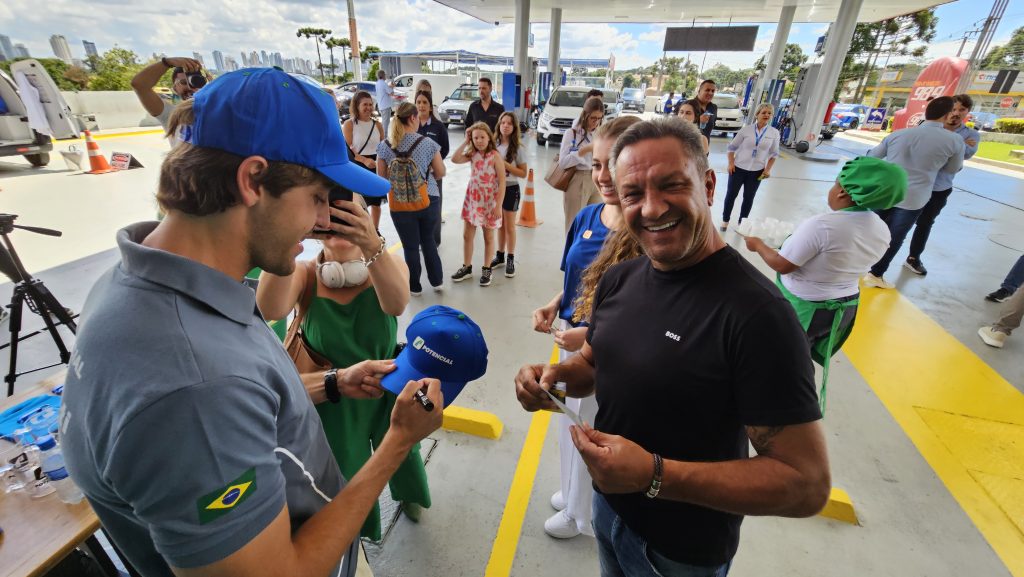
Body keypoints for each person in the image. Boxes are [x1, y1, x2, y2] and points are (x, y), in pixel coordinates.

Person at [60, 67, 443, 577]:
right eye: (316, 197)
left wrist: (332, 382)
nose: (321, 220)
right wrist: (396, 443)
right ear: (252, 181)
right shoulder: (194, 384)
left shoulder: (138, 286)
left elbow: (247, 411)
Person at [515, 117, 830, 577]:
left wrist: (653, 475)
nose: (652, 208)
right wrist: (554, 380)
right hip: (610, 513)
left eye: (671, 185)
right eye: (633, 194)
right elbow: (594, 364)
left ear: (707, 183)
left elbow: (806, 484)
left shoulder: (757, 315)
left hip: (681, 551)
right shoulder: (619, 280)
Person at [255, 191, 432, 538]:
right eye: (324, 211)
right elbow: (270, 309)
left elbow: (396, 303)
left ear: (366, 218)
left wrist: (371, 243)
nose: (335, 220)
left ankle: (411, 494)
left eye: (347, 211)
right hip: (333, 393)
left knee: (403, 450)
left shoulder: (387, 265)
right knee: (344, 466)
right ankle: (358, 531)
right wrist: (286, 232)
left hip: (386, 385)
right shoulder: (305, 274)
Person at [531, 115, 642, 540]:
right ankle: (571, 491)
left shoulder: (643, 232)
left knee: (589, 430)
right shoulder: (588, 215)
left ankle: (582, 516)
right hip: (568, 336)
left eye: (613, 164)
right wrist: (553, 304)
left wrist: (591, 334)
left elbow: (641, 308)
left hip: (605, 352)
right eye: (596, 164)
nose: (602, 175)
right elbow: (574, 278)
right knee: (565, 419)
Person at [744, 157, 907, 408]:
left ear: (842, 192)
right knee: (803, 353)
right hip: (842, 309)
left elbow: (782, 264)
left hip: (805, 309)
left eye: (835, 184)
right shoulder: (882, 229)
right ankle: (793, 387)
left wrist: (758, 245)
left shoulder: (823, 225)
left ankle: (776, 399)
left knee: (783, 355)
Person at [863, 96, 965, 289]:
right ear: (946, 115)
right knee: (894, 237)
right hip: (914, 197)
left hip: (885, 191)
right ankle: (876, 274)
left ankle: (853, 263)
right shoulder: (954, 140)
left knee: (870, 228)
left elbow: (873, 156)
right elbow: (953, 169)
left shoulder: (899, 134)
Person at [903, 94, 980, 276]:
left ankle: (913, 258)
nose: (956, 113)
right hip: (915, 183)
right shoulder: (928, 128)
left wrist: (952, 145)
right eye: (953, 109)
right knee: (900, 219)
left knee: (925, 223)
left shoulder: (972, 134)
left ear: (967, 112)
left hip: (939, 187)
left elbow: (966, 155)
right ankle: (880, 253)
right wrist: (958, 144)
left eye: (961, 109)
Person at [377, 102, 446, 295]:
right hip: (428, 198)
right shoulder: (428, 143)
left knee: (410, 246)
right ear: (413, 118)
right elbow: (441, 172)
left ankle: (414, 286)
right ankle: (437, 281)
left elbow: (380, 179)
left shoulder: (384, 146)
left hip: (399, 203)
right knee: (428, 241)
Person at [450, 121, 506, 287]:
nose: (479, 140)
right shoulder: (472, 153)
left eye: (482, 137)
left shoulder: (495, 156)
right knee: (467, 234)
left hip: (489, 200)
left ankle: (487, 269)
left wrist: (498, 205)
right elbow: (454, 159)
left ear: (489, 137)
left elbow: (502, 182)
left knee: (488, 237)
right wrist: (466, 141)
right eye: (476, 138)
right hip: (473, 199)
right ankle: (467, 267)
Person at [721, 103, 780, 231]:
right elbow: (731, 148)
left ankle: (743, 223)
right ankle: (725, 220)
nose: (766, 115)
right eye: (764, 112)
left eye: (769, 113)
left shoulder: (774, 133)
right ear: (757, 114)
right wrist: (731, 163)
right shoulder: (746, 130)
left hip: (757, 172)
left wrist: (768, 169)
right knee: (731, 195)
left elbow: (774, 154)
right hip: (738, 168)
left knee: (749, 197)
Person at [131, 55, 207, 147]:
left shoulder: (217, 110)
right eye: (183, 82)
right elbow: (139, 85)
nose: (190, 87)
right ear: (175, 88)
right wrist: (167, 63)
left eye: (195, 81)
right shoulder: (170, 114)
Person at [559, 96, 605, 232]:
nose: (596, 122)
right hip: (578, 179)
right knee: (574, 224)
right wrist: (583, 151)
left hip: (596, 179)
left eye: (599, 118)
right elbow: (563, 163)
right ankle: (571, 253)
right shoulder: (571, 134)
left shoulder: (600, 133)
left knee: (594, 223)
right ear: (585, 115)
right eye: (593, 118)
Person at [490, 111, 528, 278]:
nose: (505, 126)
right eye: (503, 122)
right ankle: (500, 255)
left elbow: (523, 173)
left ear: (514, 127)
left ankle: (511, 258)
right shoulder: (493, 144)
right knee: (500, 224)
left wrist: (503, 163)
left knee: (510, 226)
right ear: (499, 124)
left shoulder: (518, 148)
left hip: (511, 188)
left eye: (509, 123)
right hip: (495, 189)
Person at [343, 91, 386, 229]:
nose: (368, 107)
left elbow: (383, 146)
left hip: (376, 165)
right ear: (357, 105)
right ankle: (362, 231)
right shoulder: (350, 124)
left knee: (376, 203)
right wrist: (364, 160)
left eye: (370, 104)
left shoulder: (377, 125)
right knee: (360, 204)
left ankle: (375, 231)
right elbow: (348, 150)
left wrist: (380, 162)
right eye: (364, 104)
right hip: (358, 166)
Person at [415, 89, 450, 247]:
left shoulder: (438, 127)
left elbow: (445, 148)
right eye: (418, 102)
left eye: (424, 103)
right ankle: (420, 239)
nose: (421, 106)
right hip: (414, 175)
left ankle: (434, 241)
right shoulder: (411, 125)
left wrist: (434, 164)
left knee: (434, 207)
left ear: (430, 106)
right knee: (417, 207)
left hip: (433, 174)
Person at [375, 69, 396, 137]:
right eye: (385, 75)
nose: (386, 76)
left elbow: (384, 91)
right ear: (383, 75)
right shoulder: (383, 83)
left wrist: (389, 86)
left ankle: (384, 137)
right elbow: (391, 93)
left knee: (385, 123)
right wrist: (392, 87)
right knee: (386, 124)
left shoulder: (377, 83)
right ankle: (385, 139)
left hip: (381, 106)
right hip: (385, 106)